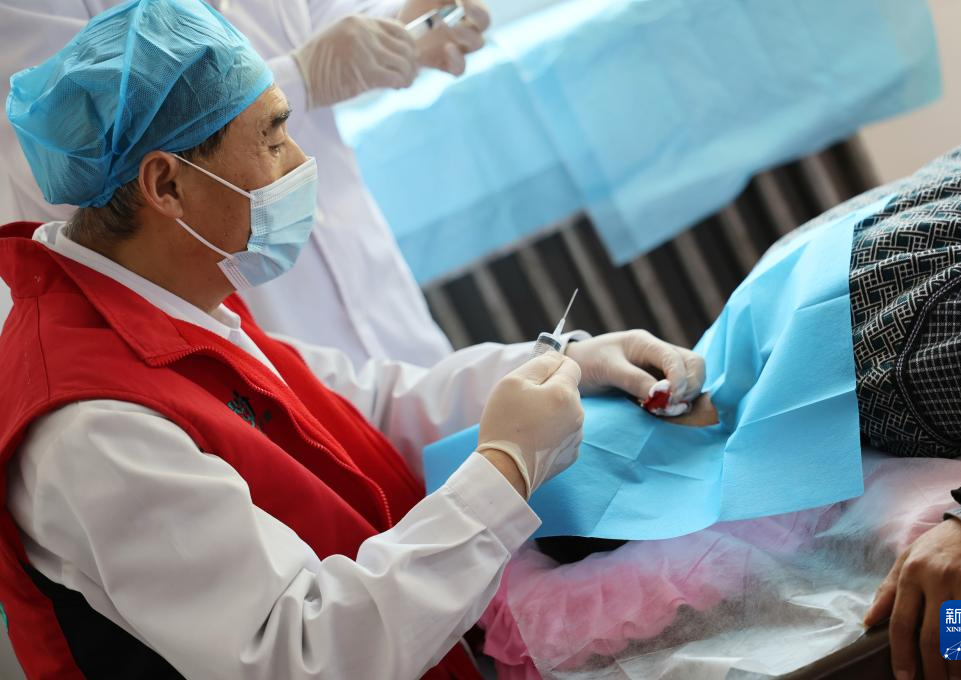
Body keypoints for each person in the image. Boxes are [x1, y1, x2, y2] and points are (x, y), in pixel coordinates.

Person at [0, 2, 705, 678]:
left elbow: (365, 404)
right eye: (273, 139)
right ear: (167, 185)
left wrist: (562, 361)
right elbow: (307, 655)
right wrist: (506, 470)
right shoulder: (96, 427)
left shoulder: (167, 302)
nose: (298, 162)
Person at [0, 0, 491, 367]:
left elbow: (327, 18)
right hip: (234, 311)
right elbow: (62, 171)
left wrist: (405, 22)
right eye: (277, 137)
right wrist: (300, 78)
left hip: (376, 295)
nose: (299, 161)